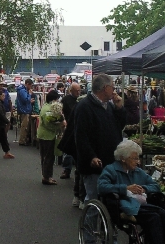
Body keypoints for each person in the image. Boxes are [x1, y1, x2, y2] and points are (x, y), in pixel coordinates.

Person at [75, 73, 126, 202]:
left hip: (109, 161)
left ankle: (98, 222)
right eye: (112, 87)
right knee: (94, 198)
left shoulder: (108, 105)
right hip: (94, 164)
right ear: (105, 88)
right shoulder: (84, 107)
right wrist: (91, 156)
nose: (114, 90)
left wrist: (120, 108)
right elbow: (81, 136)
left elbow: (121, 125)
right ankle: (90, 222)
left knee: (107, 199)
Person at [36, 89, 65, 185]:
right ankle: (46, 177)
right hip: (47, 136)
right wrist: (58, 126)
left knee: (45, 157)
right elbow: (48, 123)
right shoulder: (48, 109)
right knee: (48, 157)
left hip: (43, 135)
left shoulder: (46, 106)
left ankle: (47, 176)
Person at [58, 82, 81, 192]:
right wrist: (63, 121)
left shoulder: (80, 100)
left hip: (78, 127)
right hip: (68, 127)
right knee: (68, 149)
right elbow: (60, 111)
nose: (78, 92)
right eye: (77, 91)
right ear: (71, 91)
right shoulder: (66, 99)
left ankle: (76, 168)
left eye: (79, 90)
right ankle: (66, 170)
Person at [0, 80, 15, 159]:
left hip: (0, 124)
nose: (4, 97)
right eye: (2, 96)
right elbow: (1, 115)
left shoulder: (0, 103)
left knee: (3, 138)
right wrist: (7, 121)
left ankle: (7, 152)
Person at [16, 78, 37, 146]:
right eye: (30, 86)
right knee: (24, 126)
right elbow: (25, 99)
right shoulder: (23, 90)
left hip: (25, 109)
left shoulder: (23, 90)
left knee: (25, 126)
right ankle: (22, 140)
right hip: (24, 110)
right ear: (27, 84)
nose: (31, 87)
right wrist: (30, 95)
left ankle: (24, 139)